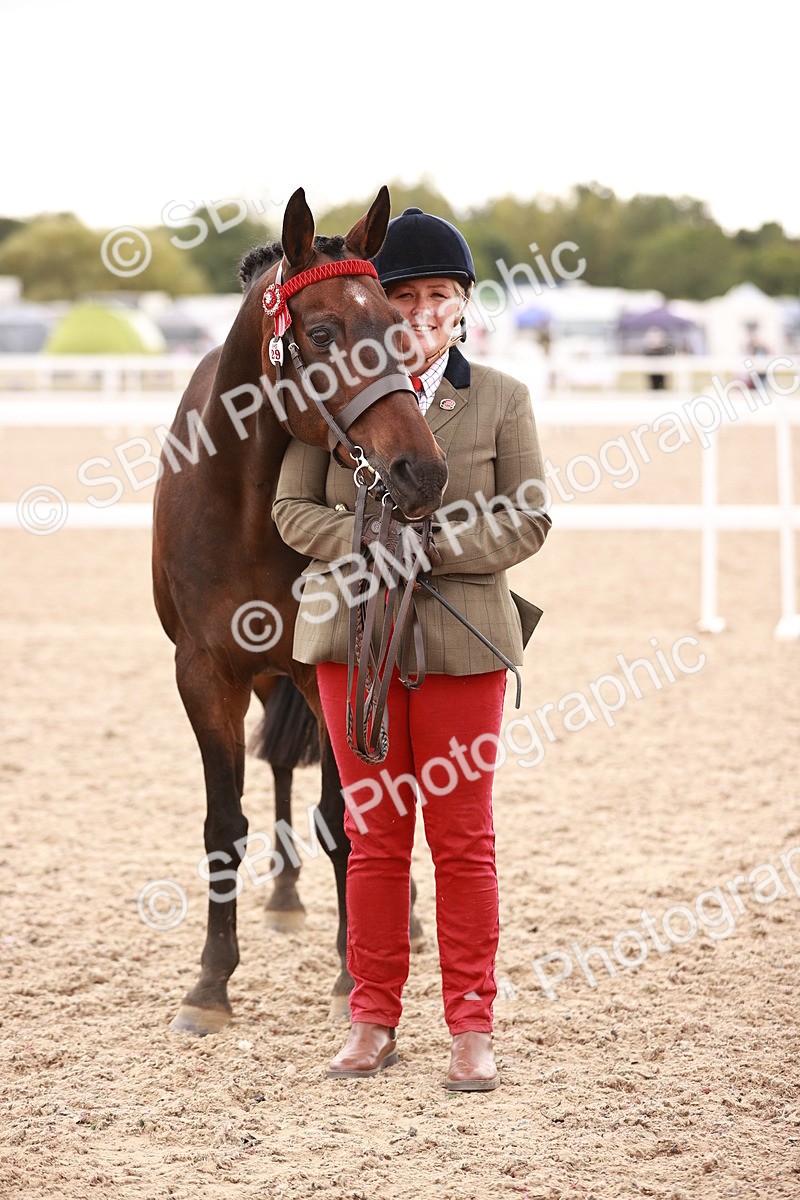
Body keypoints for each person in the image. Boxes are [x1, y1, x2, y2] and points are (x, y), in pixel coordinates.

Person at [272, 207, 552, 1090]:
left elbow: (530, 515)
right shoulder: (334, 396)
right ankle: (373, 1019)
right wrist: (366, 543)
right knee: (374, 836)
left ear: (465, 305)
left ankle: (472, 1025)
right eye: (410, 294)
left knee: (464, 840)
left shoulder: (501, 397)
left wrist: (429, 547)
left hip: (463, 641)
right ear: (381, 306)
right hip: (351, 642)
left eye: (445, 293)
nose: (428, 307)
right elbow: (292, 509)